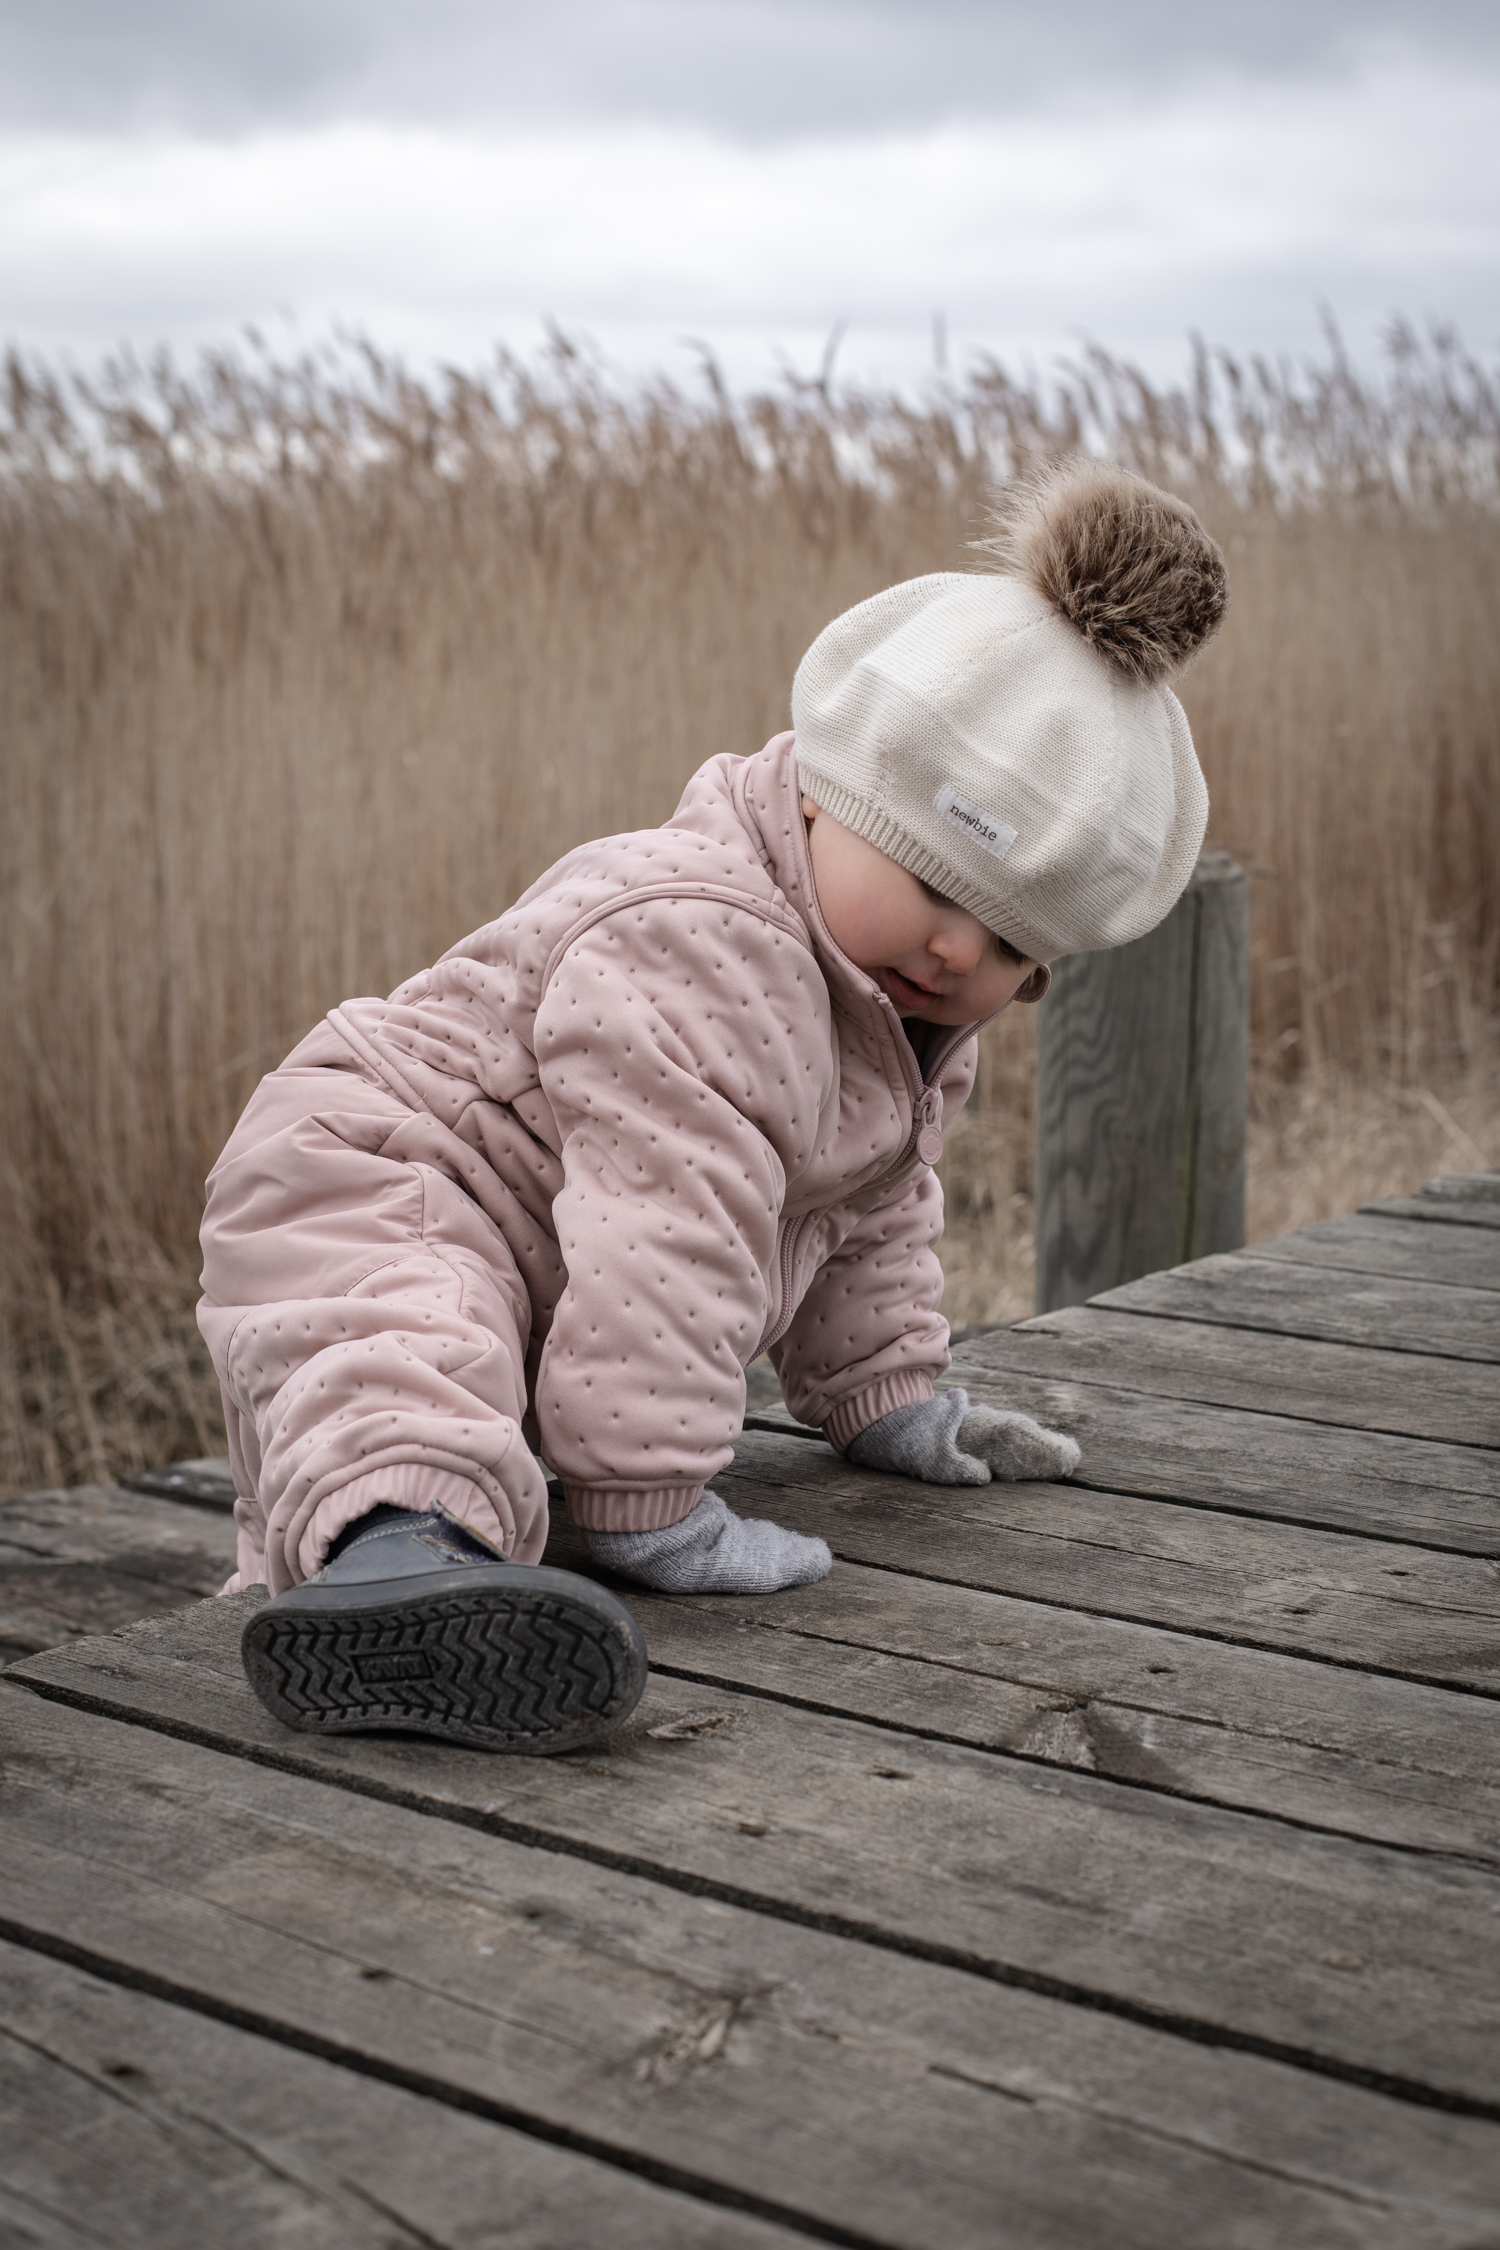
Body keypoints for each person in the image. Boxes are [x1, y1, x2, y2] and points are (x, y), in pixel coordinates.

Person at [202, 458, 1228, 1755]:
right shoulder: (704, 943)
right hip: (386, 1159)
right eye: (927, 875)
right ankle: (393, 1564)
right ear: (819, 797)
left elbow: (871, 1200)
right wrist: (646, 1503)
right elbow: (670, 1229)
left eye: (1012, 940)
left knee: (478, 1368)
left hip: (537, 1240)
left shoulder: (903, 1005)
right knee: (412, 1341)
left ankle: (443, 1566)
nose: (959, 950)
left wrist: (890, 1392)